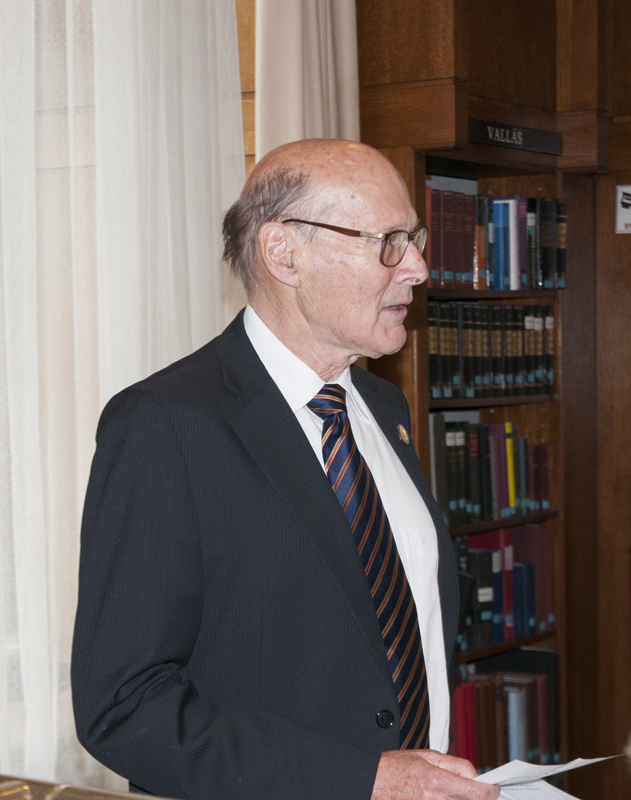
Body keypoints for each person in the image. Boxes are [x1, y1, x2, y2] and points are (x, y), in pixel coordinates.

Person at [71, 139, 500, 800]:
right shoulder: (164, 424)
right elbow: (124, 707)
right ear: (284, 253)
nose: (416, 266)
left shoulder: (384, 407)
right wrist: (364, 779)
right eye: (387, 241)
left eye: (411, 239)